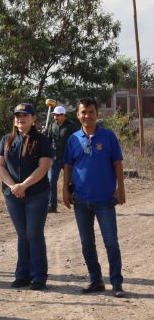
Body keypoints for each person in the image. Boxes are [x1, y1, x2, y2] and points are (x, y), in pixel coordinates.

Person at [62, 97, 126, 297]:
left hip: (105, 199)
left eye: (90, 112)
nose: (87, 116)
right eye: (83, 112)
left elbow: (117, 163)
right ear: (78, 115)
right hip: (81, 200)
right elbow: (68, 166)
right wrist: (64, 189)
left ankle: (116, 283)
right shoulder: (73, 139)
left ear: (97, 114)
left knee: (111, 242)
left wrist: (120, 188)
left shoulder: (108, 137)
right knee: (86, 243)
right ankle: (96, 280)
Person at [0, 103, 53, 291]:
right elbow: (0, 165)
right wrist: (13, 186)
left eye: (25, 115)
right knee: (22, 235)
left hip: (36, 194)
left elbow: (43, 167)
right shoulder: (6, 140)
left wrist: (24, 185)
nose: (21, 119)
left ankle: (38, 277)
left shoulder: (42, 140)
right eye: (17, 115)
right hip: (13, 195)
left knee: (34, 234)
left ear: (33, 118)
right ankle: (22, 275)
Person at [45, 105, 79, 212]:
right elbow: (49, 141)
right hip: (55, 158)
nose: (56, 117)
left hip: (68, 158)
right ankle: (52, 205)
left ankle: (77, 201)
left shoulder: (71, 126)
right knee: (51, 181)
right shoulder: (51, 126)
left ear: (64, 115)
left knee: (74, 180)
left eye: (58, 115)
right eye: (54, 115)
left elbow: (76, 141)